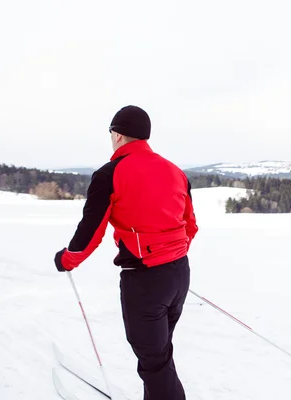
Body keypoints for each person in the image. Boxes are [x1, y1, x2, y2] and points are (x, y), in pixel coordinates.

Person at [54, 105, 198, 400]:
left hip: (145, 282)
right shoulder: (175, 172)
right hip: (179, 274)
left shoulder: (111, 173)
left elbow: (91, 231)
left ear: (117, 135)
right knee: (158, 355)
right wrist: (169, 257)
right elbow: (190, 226)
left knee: (155, 363)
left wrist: (67, 259)